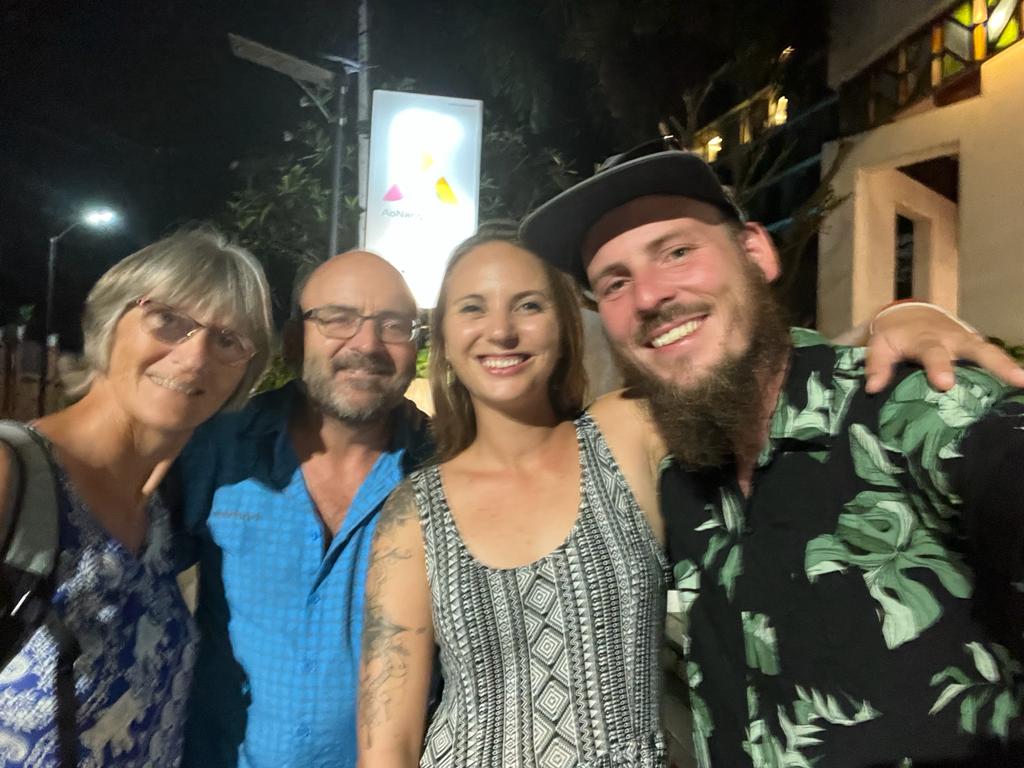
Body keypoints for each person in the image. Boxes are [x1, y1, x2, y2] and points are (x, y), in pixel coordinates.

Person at [520, 146, 1024, 766]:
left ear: (756, 252)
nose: (648, 296)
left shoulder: (921, 411)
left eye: (676, 252)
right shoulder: (678, 478)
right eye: (615, 283)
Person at [357, 226, 670, 767]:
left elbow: (745, 380)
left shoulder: (628, 432)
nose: (501, 331)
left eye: (528, 305)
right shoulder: (414, 513)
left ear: (564, 325)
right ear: (445, 338)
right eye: (472, 309)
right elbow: (388, 743)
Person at [0, 228, 274, 767]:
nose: (195, 356)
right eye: (168, 319)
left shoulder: (157, 519)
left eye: (227, 340)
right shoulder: (13, 477)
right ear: (110, 321)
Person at [179, 250, 432, 768]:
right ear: (294, 339)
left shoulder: (446, 470)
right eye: (337, 318)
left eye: (394, 325)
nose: (367, 344)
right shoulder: (217, 449)